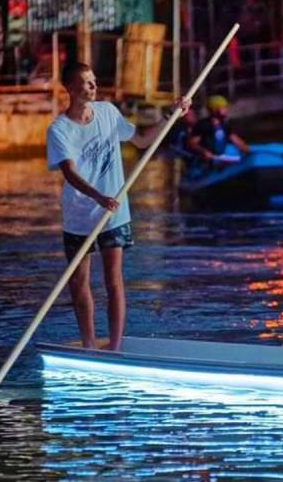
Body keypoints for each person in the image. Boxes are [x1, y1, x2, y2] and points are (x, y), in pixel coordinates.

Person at [46, 62, 190, 351]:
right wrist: (97, 196)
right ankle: (88, 344)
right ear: (71, 88)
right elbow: (70, 173)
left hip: (114, 213)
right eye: (86, 82)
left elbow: (141, 141)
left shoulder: (108, 113)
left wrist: (170, 115)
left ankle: (114, 346)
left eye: (94, 80)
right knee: (79, 282)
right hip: (79, 215)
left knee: (114, 280)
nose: (93, 86)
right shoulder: (59, 129)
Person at [187, 94, 249, 169]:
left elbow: (237, 141)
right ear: (214, 110)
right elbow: (192, 144)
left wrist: (248, 152)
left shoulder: (224, 125)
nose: (226, 110)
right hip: (206, 163)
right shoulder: (203, 125)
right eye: (223, 107)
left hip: (220, 159)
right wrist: (204, 152)